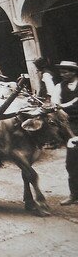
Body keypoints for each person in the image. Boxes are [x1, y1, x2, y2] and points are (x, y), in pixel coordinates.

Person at [52, 61, 78, 205]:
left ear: (73, 72)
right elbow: (56, 105)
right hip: (70, 126)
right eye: (61, 72)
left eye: (65, 72)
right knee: (72, 163)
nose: (62, 74)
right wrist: (60, 109)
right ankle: (74, 194)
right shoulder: (59, 87)